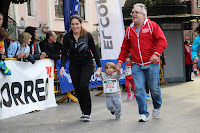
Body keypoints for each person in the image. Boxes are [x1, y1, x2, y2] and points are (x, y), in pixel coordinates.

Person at [116, 3, 167, 122]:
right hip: (137, 65)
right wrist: (119, 62)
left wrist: (156, 54)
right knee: (138, 89)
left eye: (136, 12)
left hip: (152, 64)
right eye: (133, 12)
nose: (134, 14)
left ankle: (157, 105)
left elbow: (162, 41)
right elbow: (124, 48)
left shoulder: (152, 26)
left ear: (143, 15)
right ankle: (143, 113)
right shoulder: (129, 30)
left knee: (154, 88)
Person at [60, 15, 101, 122]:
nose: (75, 26)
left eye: (77, 24)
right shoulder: (67, 37)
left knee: (83, 85)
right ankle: (83, 111)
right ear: (70, 25)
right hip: (74, 65)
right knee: (77, 89)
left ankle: (87, 112)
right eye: (73, 24)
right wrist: (62, 66)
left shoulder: (87, 35)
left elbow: (95, 51)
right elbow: (64, 53)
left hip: (87, 64)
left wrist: (99, 66)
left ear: (80, 24)